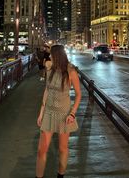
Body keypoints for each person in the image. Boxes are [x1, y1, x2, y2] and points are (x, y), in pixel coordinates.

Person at [35, 44, 82, 178]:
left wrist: (73, 113)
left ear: (57, 56)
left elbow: (79, 94)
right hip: (49, 111)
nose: (49, 56)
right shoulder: (49, 67)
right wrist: (41, 112)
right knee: (41, 150)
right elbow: (47, 90)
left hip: (64, 114)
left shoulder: (71, 71)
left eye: (51, 55)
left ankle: (60, 175)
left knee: (62, 148)